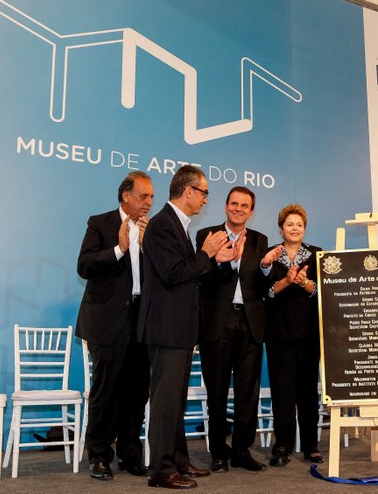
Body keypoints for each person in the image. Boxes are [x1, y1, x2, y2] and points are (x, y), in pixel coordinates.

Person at [137, 165, 239, 489]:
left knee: (176, 402)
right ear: (189, 191)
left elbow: (189, 275)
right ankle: (161, 470)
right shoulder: (162, 225)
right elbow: (173, 274)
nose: (206, 199)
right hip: (166, 328)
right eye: (204, 192)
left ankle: (179, 461)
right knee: (165, 403)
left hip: (178, 329)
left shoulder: (176, 224)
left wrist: (215, 260)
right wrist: (206, 252)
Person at [75, 171, 154, 480]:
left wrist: (148, 249)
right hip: (107, 320)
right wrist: (119, 249)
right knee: (105, 390)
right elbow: (84, 265)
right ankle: (99, 455)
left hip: (140, 319)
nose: (149, 202)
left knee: (137, 391)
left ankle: (130, 454)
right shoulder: (100, 223)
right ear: (126, 196)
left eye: (151, 197)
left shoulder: (151, 229)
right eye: (143, 196)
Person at [196, 187, 270, 473]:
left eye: (245, 205)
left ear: (251, 212)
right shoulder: (208, 236)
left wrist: (266, 268)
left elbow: (262, 285)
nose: (239, 209)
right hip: (218, 322)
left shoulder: (260, 240)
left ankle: (241, 450)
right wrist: (227, 262)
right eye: (234, 203)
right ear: (225, 207)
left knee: (247, 391)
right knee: (216, 390)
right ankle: (218, 451)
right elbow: (200, 277)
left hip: (250, 323)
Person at [260, 204, 323, 467]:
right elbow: (266, 293)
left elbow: (322, 292)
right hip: (278, 333)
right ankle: (283, 446)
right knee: (282, 392)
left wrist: (304, 283)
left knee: (307, 391)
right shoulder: (270, 255)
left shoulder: (317, 255)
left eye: (299, 224)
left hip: (309, 332)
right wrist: (287, 281)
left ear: (304, 229)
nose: (294, 228)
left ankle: (311, 445)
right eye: (289, 224)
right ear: (281, 229)